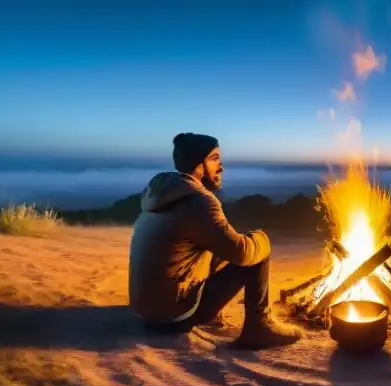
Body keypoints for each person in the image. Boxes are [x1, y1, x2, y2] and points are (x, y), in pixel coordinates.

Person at [128, 132, 302, 349]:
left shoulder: (162, 195)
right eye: (214, 158)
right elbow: (241, 252)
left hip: (147, 313)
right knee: (255, 249)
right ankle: (259, 327)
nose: (221, 166)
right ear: (198, 164)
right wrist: (261, 238)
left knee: (223, 245)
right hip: (175, 317)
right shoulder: (199, 202)